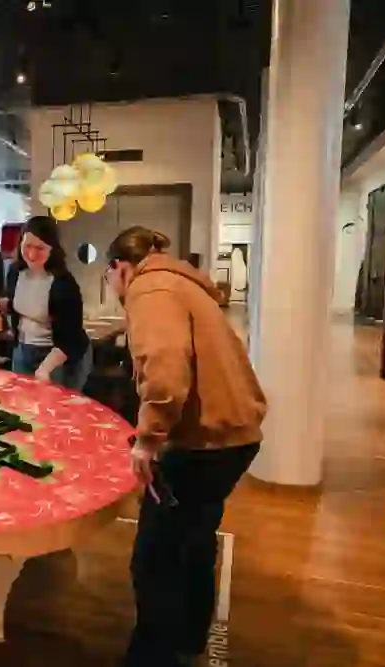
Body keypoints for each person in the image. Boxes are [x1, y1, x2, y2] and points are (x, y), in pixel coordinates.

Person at [103, 226, 267, 667]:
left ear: (120, 268)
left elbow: (166, 368)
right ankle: (189, 638)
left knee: (155, 559)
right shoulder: (180, 282)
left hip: (201, 443)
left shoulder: (148, 287)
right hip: (234, 437)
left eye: (111, 279)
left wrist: (147, 439)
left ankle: (153, 658)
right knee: (194, 541)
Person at [0, 215, 91, 390]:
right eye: (28, 246)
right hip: (23, 349)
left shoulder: (63, 284)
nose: (32, 255)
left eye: (40, 248)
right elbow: (24, 307)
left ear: (52, 250)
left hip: (55, 355)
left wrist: (45, 369)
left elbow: (70, 339)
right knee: (22, 402)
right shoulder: (15, 272)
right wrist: (6, 306)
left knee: (51, 407)